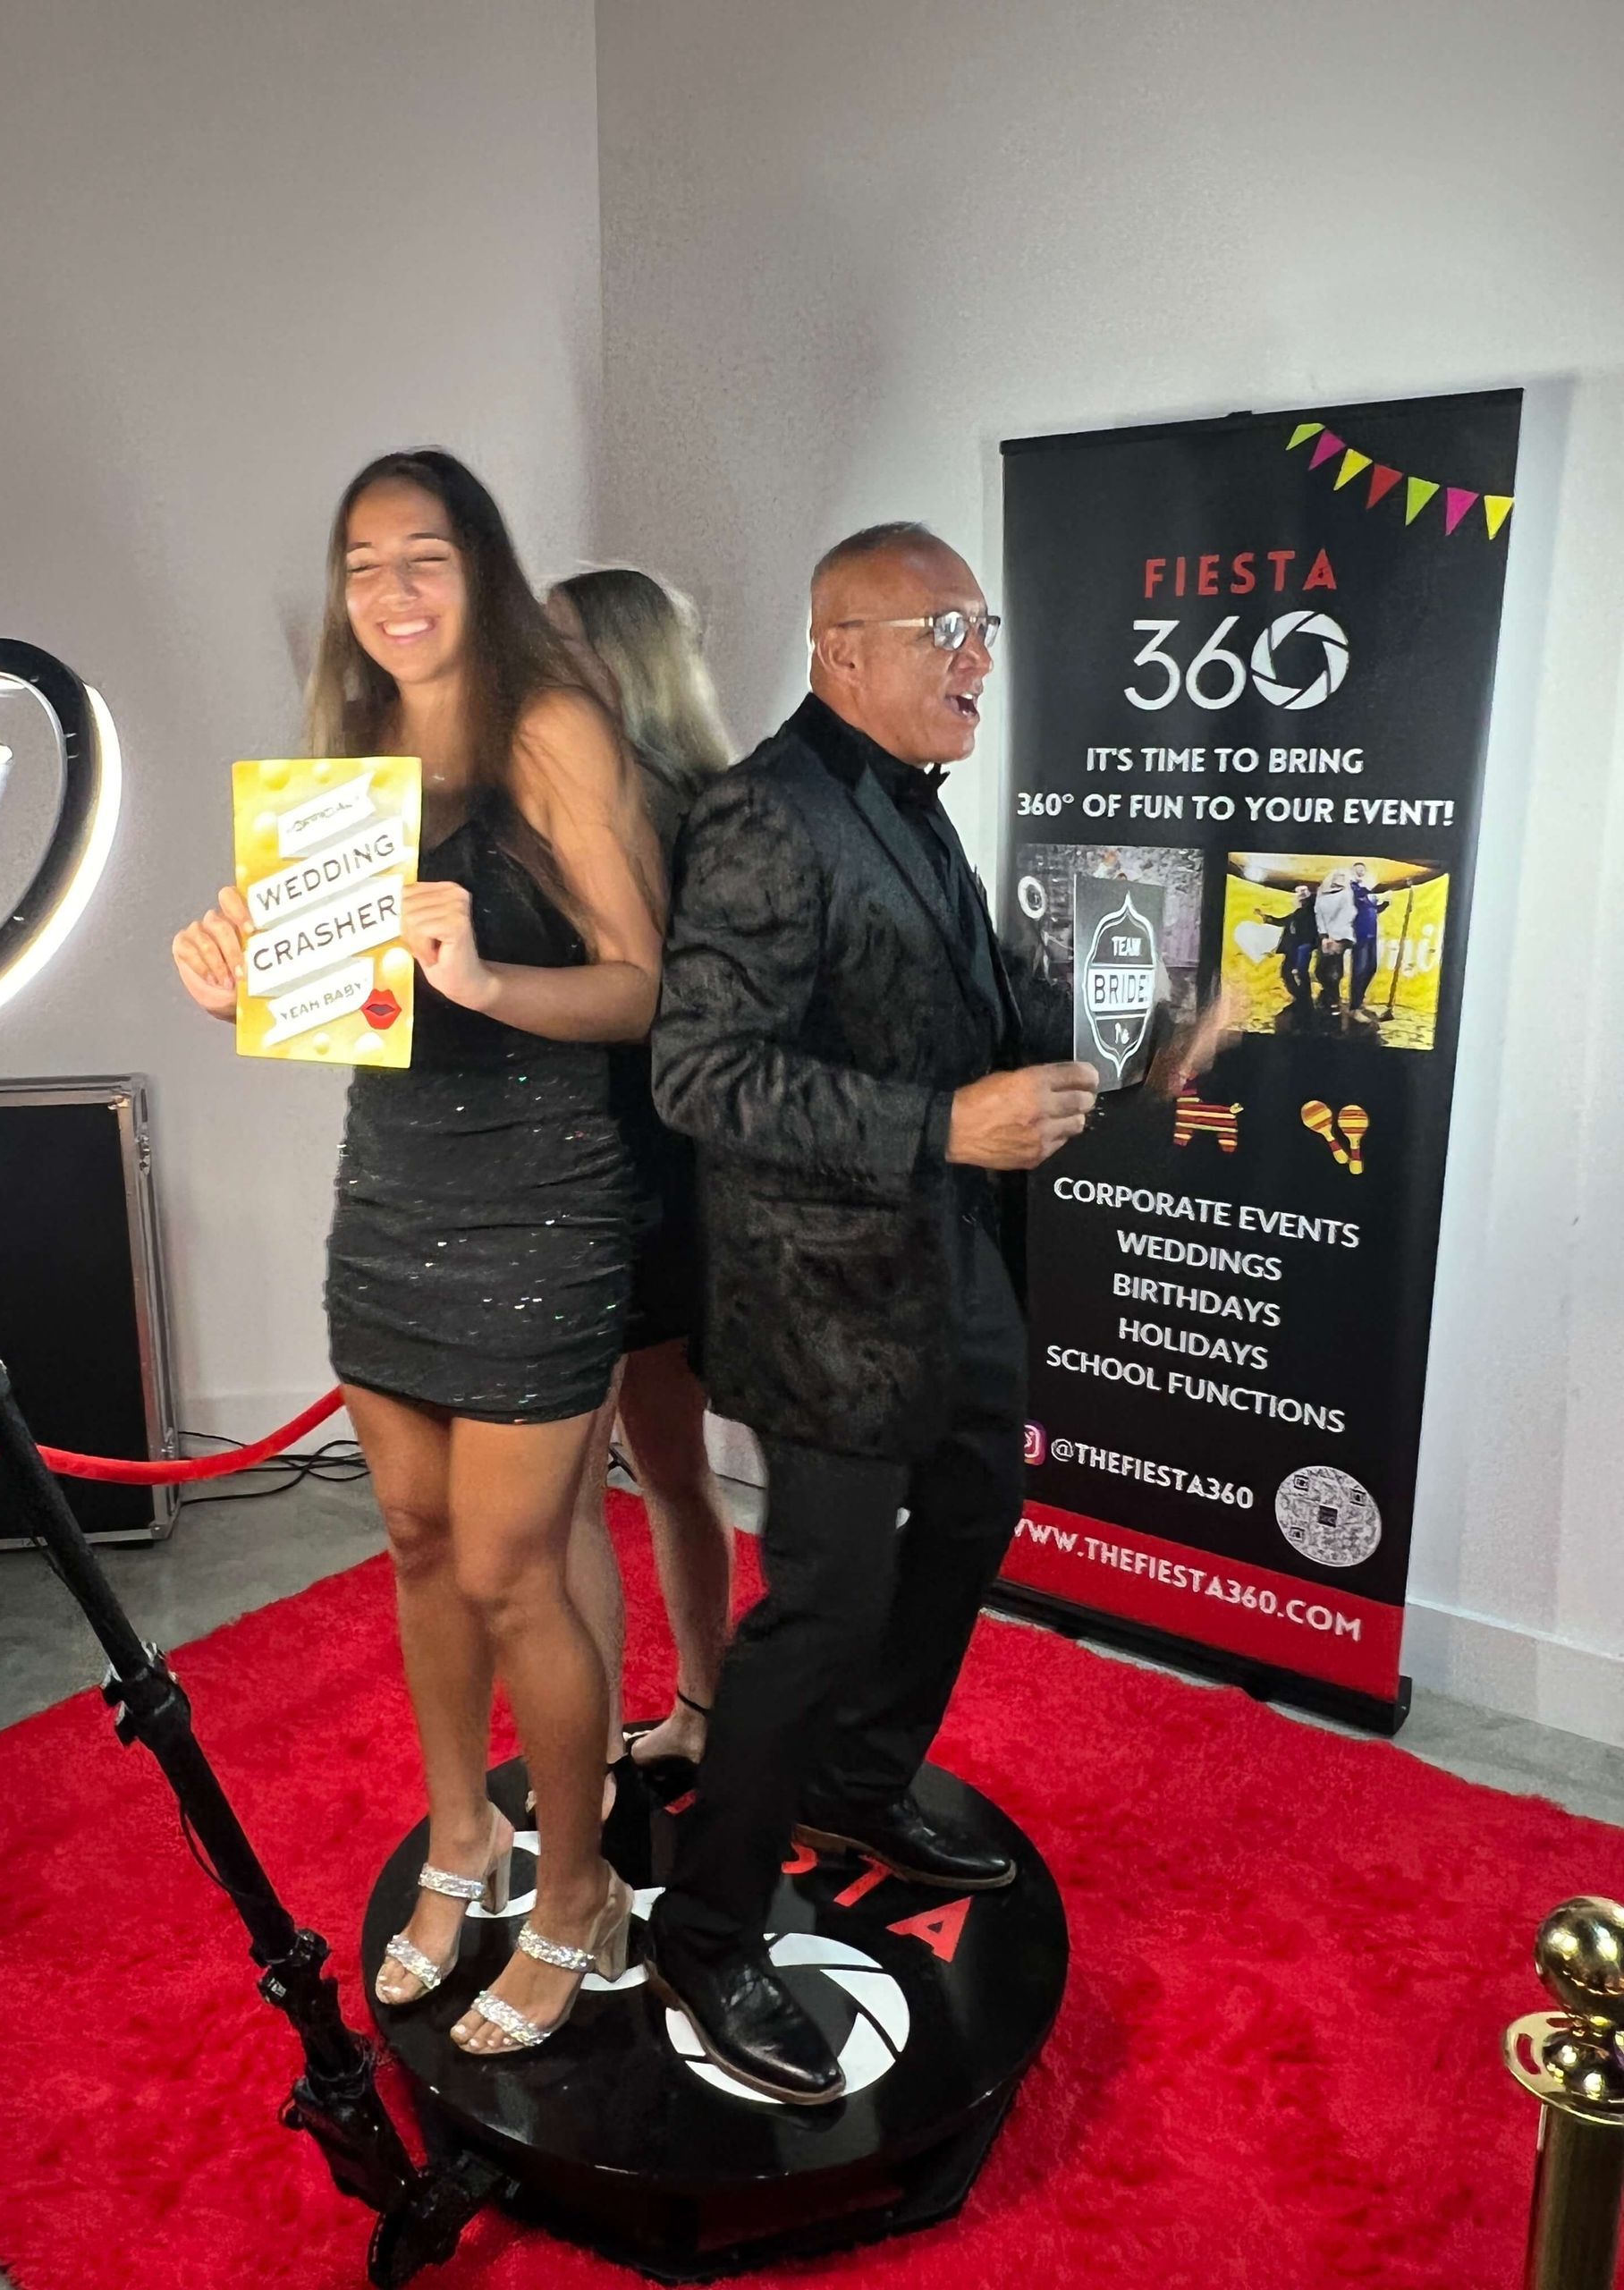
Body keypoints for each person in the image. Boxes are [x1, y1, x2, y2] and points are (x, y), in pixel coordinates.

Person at [170, 450, 664, 2057]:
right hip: (388, 1198)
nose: (392, 590)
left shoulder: (554, 727)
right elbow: (335, 1009)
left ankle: (579, 1888)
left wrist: (490, 978)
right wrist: (234, 984)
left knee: (517, 1569)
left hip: (542, 1206)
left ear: (481, 569)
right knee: (413, 1539)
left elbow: (642, 985)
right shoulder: (348, 755)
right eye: (364, 562)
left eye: (425, 556)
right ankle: (466, 1836)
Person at [641, 521, 1098, 2105]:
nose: (978, 659)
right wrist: (945, 1126)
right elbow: (700, 1073)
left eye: (983, 628)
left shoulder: (907, 796)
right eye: (943, 630)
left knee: (977, 1509)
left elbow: (961, 1003)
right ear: (841, 650)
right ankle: (707, 1929)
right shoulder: (766, 812)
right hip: (821, 1292)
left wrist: (1131, 1036)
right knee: (826, 1604)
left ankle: (857, 1778)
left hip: (949, 1259)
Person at [543, 568, 734, 1776]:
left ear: (625, 661)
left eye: (560, 644)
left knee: (574, 1496)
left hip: (605, 1178)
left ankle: (597, 1767)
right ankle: (697, 1716)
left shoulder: (623, 813)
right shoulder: (718, 807)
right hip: (675, 1174)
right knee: (671, 1467)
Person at [1257, 881, 1316, 1001]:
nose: (1298, 899)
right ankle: (1302, 996)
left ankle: (1303, 997)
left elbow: (1289, 922)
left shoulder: (1308, 912)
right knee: (1292, 973)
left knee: (1297, 973)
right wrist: (1268, 918)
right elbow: (1285, 921)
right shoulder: (1300, 912)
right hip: (1295, 948)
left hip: (1300, 947)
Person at [1347, 861, 1391, 1014]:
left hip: (1372, 934)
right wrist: (1375, 892)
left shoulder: (1368, 893)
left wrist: (1385, 903)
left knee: (1371, 968)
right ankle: (1354, 1005)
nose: (1360, 872)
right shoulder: (1352, 888)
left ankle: (1359, 999)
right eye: (1357, 870)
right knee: (1359, 969)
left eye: (1362, 870)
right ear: (1352, 872)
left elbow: (1373, 910)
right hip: (1360, 934)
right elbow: (1359, 896)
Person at [1313, 866, 1357, 1011]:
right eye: (1338, 876)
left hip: (1341, 935)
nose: (1340, 879)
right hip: (1326, 936)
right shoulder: (1321, 894)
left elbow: (1346, 916)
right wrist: (1324, 936)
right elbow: (1319, 916)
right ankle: (1329, 996)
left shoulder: (1346, 894)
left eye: (1343, 877)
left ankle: (1333, 1000)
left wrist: (1335, 938)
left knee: (1334, 970)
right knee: (1320, 971)